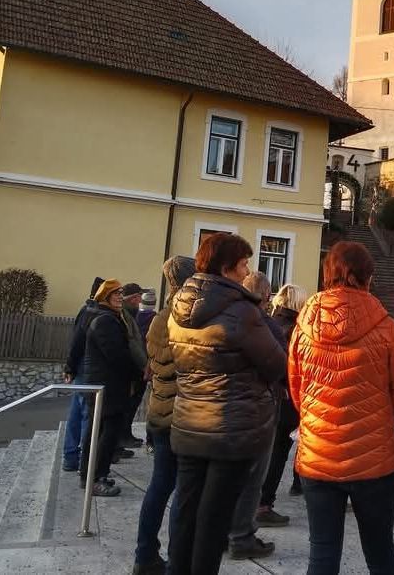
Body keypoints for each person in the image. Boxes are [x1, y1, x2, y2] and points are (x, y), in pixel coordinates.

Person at [288, 240, 394, 575]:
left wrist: (318, 421)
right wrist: (376, 423)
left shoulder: (304, 324)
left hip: (318, 455)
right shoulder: (386, 325)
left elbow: (297, 390)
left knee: (322, 553)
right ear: (367, 277)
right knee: (380, 551)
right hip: (374, 458)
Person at [167, 234, 286, 575]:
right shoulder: (240, 310)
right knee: (214, 518)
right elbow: (277, 365)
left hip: (188, 422)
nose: (247, 270)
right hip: (230, 429)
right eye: (244, 263)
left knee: (186, 510)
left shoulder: (178, 306)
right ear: (226, 267)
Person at [132, 256, 195, 575]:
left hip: (158, 412)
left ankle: (144, 555)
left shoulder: (158, 319)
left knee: (160, 486)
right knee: (183, 492)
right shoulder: (183, 319)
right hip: (181, 416)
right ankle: (176, 559)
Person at [227, 270, 287, 561]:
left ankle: (226, 532)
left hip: (227, 408)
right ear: (265, 295)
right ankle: (241, 536)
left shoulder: (226, 316)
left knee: (228, 477)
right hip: (258, 407)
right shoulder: (266, 325)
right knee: (252, 479)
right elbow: (280, 366)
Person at [79, 279, 143, 496]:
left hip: (105, 385)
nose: (119, 297)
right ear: (105, 297)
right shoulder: (105, 321)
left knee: (97, 432)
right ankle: (95, 477)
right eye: (115, 294)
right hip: (107, 386)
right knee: (105, 434)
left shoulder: (106, 318)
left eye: (120, 294)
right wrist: (138, 373)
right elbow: (116, 356)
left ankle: (90, 475)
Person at [257, 283, 308, 520]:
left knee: (272, 449)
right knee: (283, 449)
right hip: (288, 396)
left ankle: (265, 499)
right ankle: (265, 503)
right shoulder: (296, 329)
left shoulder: (267, 322)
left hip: (266, 395)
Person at [61, 276, 103, 472]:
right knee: (87, 414)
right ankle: (82, 460)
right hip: (86, 368)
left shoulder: (86, 310)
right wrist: (69, 366)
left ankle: (71, 457)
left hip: (81, 367)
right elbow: (77, 342)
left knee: (77, 412)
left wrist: (70, 366)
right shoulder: (92, 313)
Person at [120, 282, 149, 450]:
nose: (140, 300)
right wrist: (144, 364)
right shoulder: (126, 314)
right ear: (133, 298)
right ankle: (122, 438)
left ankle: (125, 434)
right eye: (138, 296)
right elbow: (132, 343)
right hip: (133, 367)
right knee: (129, 404)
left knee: (131, 404)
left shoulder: (131, 313)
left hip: (136, 366)